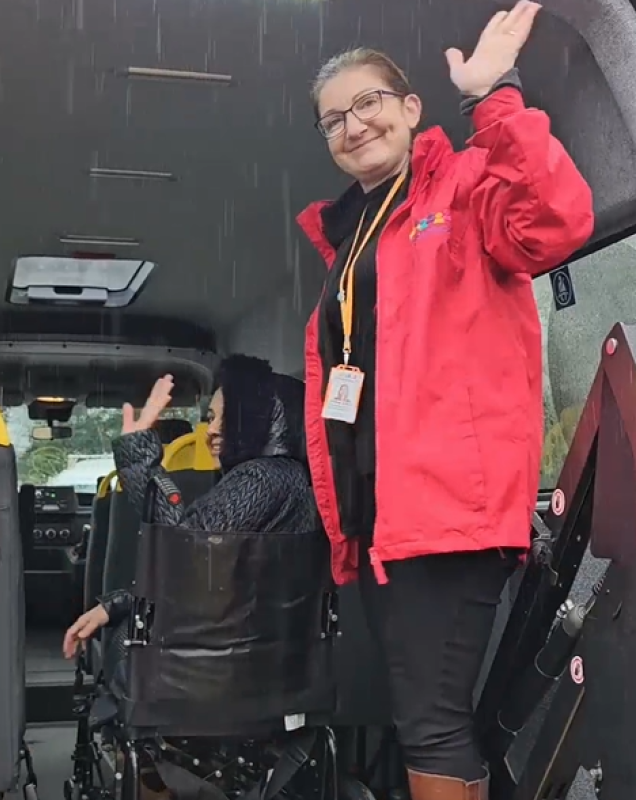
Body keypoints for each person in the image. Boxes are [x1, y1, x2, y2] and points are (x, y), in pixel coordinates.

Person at [297, 2, 594, 798]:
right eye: (333, 119)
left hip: (448, 514)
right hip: (384, 522)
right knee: (421, 717)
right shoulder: (352, 235)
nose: (353, 126)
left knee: (430, 722)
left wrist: (494, 97)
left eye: (369, 103)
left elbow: (557, 223)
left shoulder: (460, 186)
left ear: (410, 107)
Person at [62, 354, 318, 658]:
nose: (211, 430)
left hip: (221, 664)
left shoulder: (262, 477)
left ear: (262, 421)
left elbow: (184, 553)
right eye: (210, 418)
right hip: (249, 655)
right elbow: (214, 581)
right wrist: (116, 604)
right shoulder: (288, 478)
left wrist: (138, 456)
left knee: (127, 642)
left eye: (231, 418)